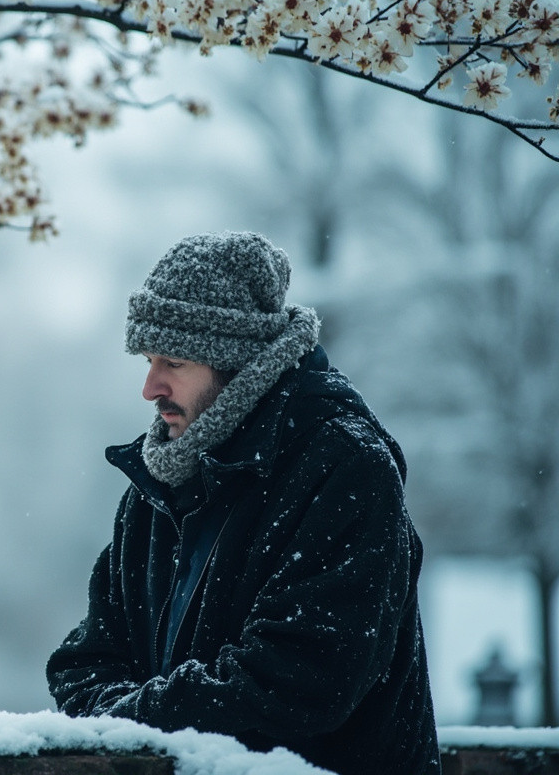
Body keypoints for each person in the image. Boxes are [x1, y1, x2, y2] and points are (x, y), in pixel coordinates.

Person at [46, 232, 441, 775]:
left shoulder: (346, 465)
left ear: (236, 360)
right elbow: (83, 661)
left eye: (174, 362)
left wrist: (127, 724)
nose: (150, 386)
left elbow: (302, 678)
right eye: (147, 359)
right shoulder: (160, 482)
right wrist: (134, 721)